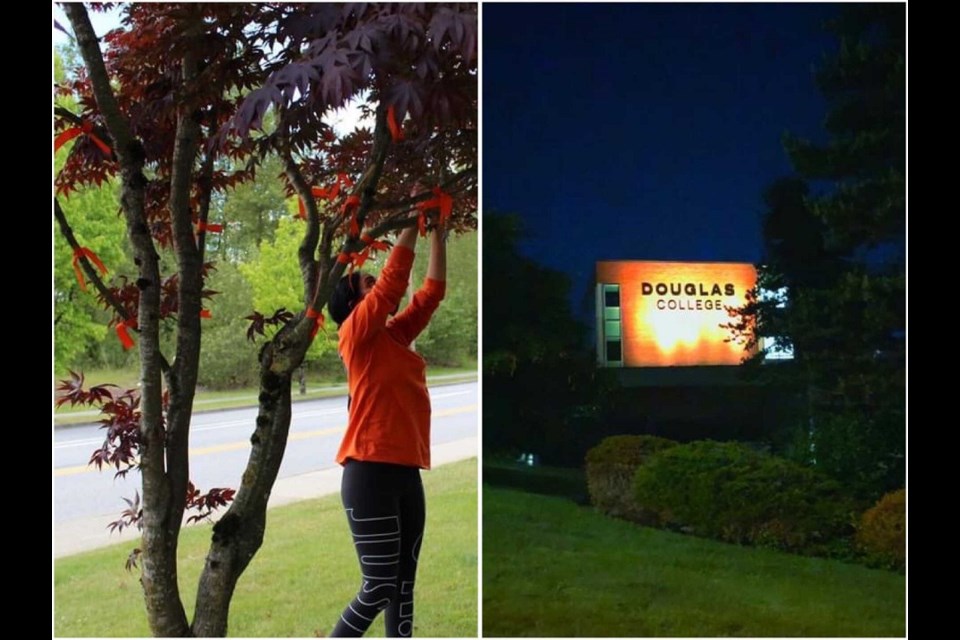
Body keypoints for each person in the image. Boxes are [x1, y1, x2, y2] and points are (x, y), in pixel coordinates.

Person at [326, 223, 446, 638]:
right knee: (378, 586)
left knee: (402, 587)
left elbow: (429, 296)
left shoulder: (394, 336)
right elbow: (394, 284)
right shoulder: (355, 336)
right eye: (365, 284)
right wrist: (413, 219)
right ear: (354, 303)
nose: (375, 282)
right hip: (369, 474)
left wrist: (438, 231)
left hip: (405, 472)